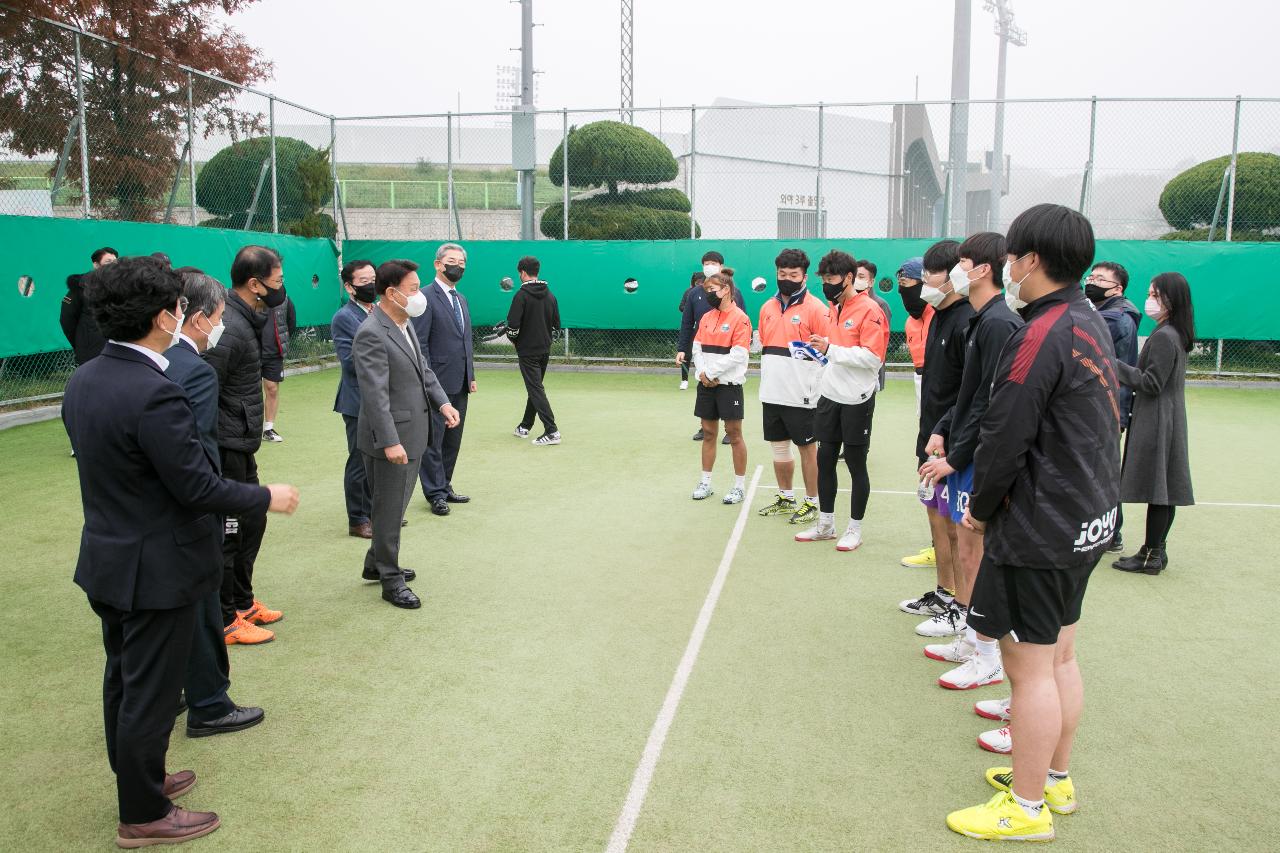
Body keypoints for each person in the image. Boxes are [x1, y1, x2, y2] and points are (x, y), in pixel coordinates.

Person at [62, 256, 298, 848]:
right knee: (151, 692)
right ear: (166, 316)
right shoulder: (154, 391)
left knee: (123, 678)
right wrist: (266, 494)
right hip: (156, 567)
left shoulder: (85, 377)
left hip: (108, 559)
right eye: (179, 308)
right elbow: (196, 485)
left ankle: (141, 780)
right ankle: (141, 811)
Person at [946, 203, 1119, 842]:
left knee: (1030, 666)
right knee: (1061, 655)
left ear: (1032, 261)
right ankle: (1053, 778)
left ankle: (1026, 806)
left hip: (1043, 522)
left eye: (1014, 257)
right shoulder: (1087, 319)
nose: (1009, 267)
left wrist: (981, 509)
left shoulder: (1040, 332)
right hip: (1087, 517)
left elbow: (1004, 434)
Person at [918, 232, 1022, 692]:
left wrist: (956, 455)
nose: (956, 269)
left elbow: (992, 402)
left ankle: (987, 654)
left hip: (979, 457)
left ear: (982, 270)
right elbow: (968, 392)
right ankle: (969, 636)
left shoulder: (999, 322)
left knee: (975, 551)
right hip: (962, 450)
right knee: (965, 548)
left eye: (962, 261)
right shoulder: (981, 320)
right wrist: (943, 427)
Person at [166, 268, 267, 738]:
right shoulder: (193, 372)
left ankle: (182, 695)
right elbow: (198, 470)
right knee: (203, 609)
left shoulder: (91, 376)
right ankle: (209, 702)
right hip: (187, 524)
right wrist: (259, 496)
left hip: (129, 542)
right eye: (218, 317)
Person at [354, 259, 460, 609]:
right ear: (391, 293)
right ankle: (390, 578)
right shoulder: (372, 332)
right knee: (389, 511)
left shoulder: (404, 324)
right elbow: (375, 394)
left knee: (393, 505)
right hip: (392, 440)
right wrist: (390, 441)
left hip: (413, 433)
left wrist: (443, 403)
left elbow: (423, 370)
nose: (419, 295)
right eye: (413, 289)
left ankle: (375, 563)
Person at [204, 245, 288, 645]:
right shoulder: (229, 329)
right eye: (277, 281)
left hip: (241, 442)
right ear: (255, 284)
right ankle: (226, 620)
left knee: (252, 522)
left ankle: (243, 602)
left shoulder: (248, 317)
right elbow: (205, 392)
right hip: (226, 446)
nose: (280, 288)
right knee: (231, 532)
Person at [902, 241, 974, 641]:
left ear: (954, 276)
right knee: (934, 516)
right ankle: (945, 593)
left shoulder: (967, 320)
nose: (922, 281)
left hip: (951, 442)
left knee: (954, 526)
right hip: (929, 434)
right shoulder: (938, 317)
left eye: (930, 273)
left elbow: (969, 393)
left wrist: (949, 437)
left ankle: (962, 605)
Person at [795, 250, 887, 550]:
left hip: (856, 399)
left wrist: (830, 349)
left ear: (849, 278)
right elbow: (834, 353)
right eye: (823, 279)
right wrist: (818, 354)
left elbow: (873, 358)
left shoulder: (870, 310)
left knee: (857, 465)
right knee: (825, 459)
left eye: (831, 279)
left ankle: (854, 528)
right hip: (830, 396)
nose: (827, 285)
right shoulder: (833, 308)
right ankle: (826, 524)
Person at [1112, 272, 1196, 575]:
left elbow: (1151, 382)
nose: (1150, 300)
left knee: (1160, 489)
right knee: (1165, 487)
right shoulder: (1174, 332)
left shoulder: (1164, 335)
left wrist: (1114, 365)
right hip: (1167, 415)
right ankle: (1154, 551)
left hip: (1158, 417)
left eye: (1155, 295)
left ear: (1171, 300)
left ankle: (1152, 553)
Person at [754, 248, 828, 526]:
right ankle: (786, 498)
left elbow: (826, 354)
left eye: (793, 275)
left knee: (808, 449)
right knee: (778, 448)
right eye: (782, 274)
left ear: (804, 277)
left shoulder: (817, 309)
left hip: (804, 395)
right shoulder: (766, 308)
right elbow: (765, 342)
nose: (786, 279)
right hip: (772, 391)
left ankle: (813, 502)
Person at [412, 242, 475, 517]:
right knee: (433, 440)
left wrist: (470, 375)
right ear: (437, 264)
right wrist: (429, 382)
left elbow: (466, 340)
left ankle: (445, 485)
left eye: (461, 262)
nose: (457, 266)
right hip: (436, 384)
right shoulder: (424, 297)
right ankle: (435, 494)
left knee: (453, 439)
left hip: (460, 381)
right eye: (452, 261)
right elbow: (419, 345)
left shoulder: (462, 299)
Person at [1085, 261, 1140, 552]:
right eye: (1091, 276)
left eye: (1100, 279)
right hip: (1105, 404)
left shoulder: (1116, 318)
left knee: (1101, 471)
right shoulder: (1107, 313)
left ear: (1117, 288)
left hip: (1107, 406)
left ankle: (1111, 533)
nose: (1092, 282)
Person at [690, 268, 751, 504]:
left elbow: (738, 355)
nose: (708, 294)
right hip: (706, 385)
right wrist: (703, 374)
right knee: (708, 433)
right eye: (706, 290)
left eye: (712, 290)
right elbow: (697, 347)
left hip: (729, 385)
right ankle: (705, 483)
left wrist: (712, 373)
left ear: (726, 290)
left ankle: (738, 487)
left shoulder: (741, 318)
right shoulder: (706, 317)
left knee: (734, 435)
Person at [896, 256, 938, 572]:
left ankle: (946, 543)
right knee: (925, 458)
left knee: (936, 459)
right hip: (920, 381)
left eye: (907, 283)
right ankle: (939, 543)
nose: (902, 290)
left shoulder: (942, 315)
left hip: (940, 386)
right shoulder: (912, 321)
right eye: (900, 285)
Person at [333, 259, 378, 538]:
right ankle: (358, 518)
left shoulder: (381, 311)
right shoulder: (345, 317)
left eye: (374, 278)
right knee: (360, 460)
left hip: (384, 399)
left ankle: (376, 512)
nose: (372, 285)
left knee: (381, 460)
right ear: (349, 287)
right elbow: (350, 362)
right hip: (358, 401)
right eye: (364, 282)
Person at [678, 250, 744, 444]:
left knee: (726, 390)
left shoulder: (734, 293)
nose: (709, 266)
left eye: (713, 263)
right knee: (704, 388)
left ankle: (729, 429)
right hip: (703, 351)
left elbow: (742, 321)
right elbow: (687, 322)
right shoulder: (693, 294)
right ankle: (704, 426)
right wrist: (682, 348)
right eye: (706, 263)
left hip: (726, 353)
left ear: (721, 266)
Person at [507, 255, 562, 446]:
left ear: (522, 272)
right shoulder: (550, 295)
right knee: (535, 388)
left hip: (527, 352)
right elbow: (557, 325)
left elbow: (513, 327)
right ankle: (525, 426)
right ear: (536, 271)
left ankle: (552, 431)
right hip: (544, 350)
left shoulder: (520, 296)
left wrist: (514, 339)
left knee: (536, 389)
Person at [59, 246, 118, 366]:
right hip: (91, 353)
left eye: (115, 262)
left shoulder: (120, 287)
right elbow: (67, 320)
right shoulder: (80, 288)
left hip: (116, 351)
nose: (113, 265)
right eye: (108, 262)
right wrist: (82, 342)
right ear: (96, 265)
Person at [260, 292, 296, 442]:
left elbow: (291, 323)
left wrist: (281, 341)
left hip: (274, 352)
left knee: (272, 389)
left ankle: (268, 429)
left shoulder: (286, 299)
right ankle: (249, 428)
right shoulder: (250, 296)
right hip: (251, 351)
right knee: (249, 390)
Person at [855, 259, 893, 391]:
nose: (856, 279)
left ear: (871, 281)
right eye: (854, 276)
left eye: (861, 276)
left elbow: (881, 340)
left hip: (870, 367)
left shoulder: (880, 305)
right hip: (851, 365)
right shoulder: (847, 303)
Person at [676, 272, 705, 390]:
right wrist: (690, 309)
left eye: (701, 282)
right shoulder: (689, 292)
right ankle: (684, 380)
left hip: (704, 330)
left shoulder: (708, 292)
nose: (699, 284)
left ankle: (704, 377)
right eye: (697, 282)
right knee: (686, 354)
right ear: (693, 282)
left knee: (704, 354)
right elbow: (681, 306)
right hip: (691, 329)